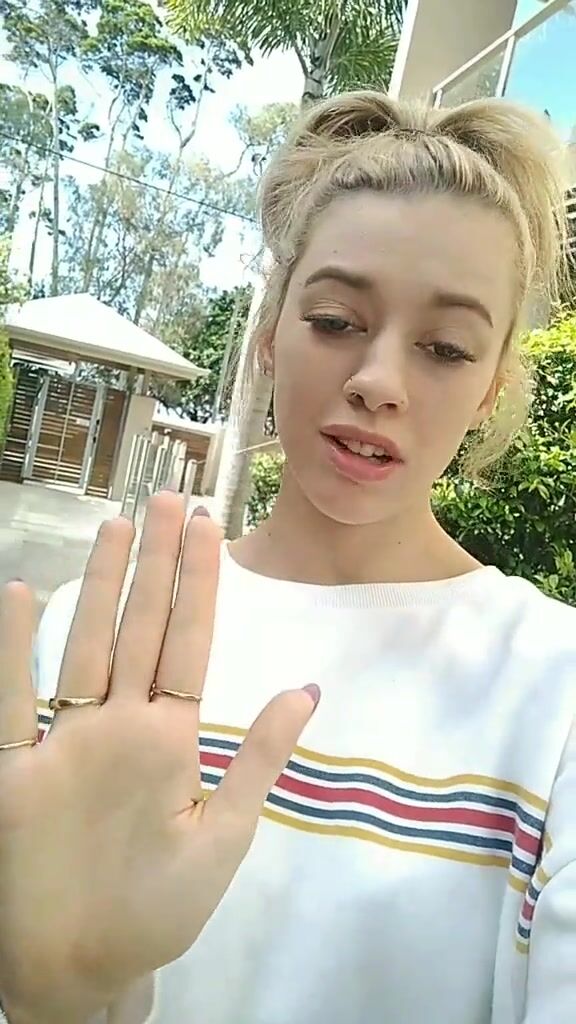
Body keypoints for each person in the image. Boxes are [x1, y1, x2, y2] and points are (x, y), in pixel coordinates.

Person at [0, 90, 574, 1024]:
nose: (378, 382)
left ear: (491, 389)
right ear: (270, 335)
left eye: (444, 347)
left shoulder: (554, 695)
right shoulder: (98, 644)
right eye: (336, 321)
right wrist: (51, 997)